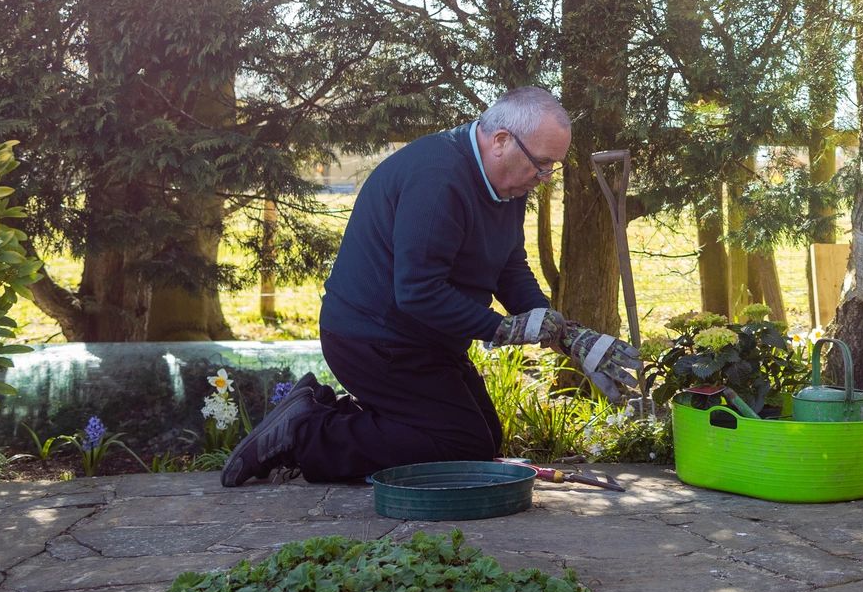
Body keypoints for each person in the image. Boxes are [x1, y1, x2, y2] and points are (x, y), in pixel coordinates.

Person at [221, 86, 642, 486]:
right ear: (501, 141)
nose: (545, 177)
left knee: (482, 439)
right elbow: (417, 292)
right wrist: (504, 329)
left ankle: (327, 416)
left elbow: (509, 269)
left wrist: (564, 332)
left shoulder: (505, 188)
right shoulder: (438, 179)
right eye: (542, 163)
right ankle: (306, 431)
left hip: (427, 340)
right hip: (373, 339)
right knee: (461, 444)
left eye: (553, 166)